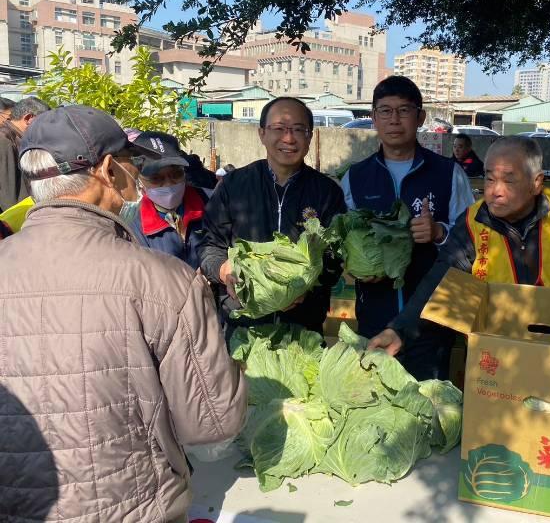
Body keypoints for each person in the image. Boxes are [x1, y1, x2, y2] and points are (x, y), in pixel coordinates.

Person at [0, 105, 246, 522]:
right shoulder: (162, 280)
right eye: (133, 162)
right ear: (109, 170)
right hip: (135, 505)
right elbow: (212, 425)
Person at [369, 136, 550, 355]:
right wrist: (399, 330)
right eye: (489, 178)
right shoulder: (472, 222)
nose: (495, 191)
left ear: (536, 183)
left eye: (508, 180)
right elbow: (441, 279)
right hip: (496, 351)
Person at [340, 75, 474, 379]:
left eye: (404, 110)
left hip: (431, 319)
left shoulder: (448, 174)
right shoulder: (355, 177)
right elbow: (344, 240)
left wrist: (439, 233)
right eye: (385, 111)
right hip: (373, 314)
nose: (394, 119)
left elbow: (474, 241)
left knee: (430, 406)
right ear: (373, 118)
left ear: (420, 117)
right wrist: (353, 265)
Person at [200, 97, 347, 337]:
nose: (288, 138)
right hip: (243, 328)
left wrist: (305, 287)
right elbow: (209, 246)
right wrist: (223, 270)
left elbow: (335, 259)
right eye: (278, 128)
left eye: (298, 129)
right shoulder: (234, 185)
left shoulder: (327, 193)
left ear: (310, 136)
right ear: (261, 133)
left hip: (303, 329)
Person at [129, 131, 210, 269]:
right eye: (156, 178)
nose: (168, 184)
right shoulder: (132, 224)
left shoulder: (212, 202)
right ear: (139, 180)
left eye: (176, 174)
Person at [0, 97, 49, 210]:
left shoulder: (17, 139)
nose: (43, 129)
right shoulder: (4, 140)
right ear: (29, 118)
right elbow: (9, 193)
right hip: (16, 218)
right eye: (42, 123)